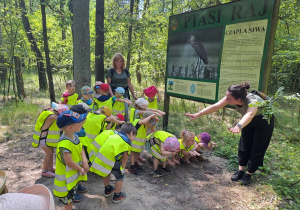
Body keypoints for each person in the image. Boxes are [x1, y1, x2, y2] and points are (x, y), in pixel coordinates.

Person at [184, 82, 275, 185]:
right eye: (226, 97)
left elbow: (250, 114)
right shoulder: (233, 96)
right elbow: (216, 106)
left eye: (229, 99)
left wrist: (238, 126)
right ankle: (240, 170)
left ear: (238, 100)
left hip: (263, 121)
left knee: (257, 148)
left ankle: (249, 174)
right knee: (244, 145)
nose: (226, 100)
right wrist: (198, 114)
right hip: (246, 120)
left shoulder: (253, 100)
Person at [89, 123, 137, 203]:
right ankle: (117, 195)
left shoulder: (113, 136)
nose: (134, 139)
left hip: (102, 158)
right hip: (112, 160)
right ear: (131, 133)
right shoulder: (126, 142)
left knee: (106, 172)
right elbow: (125, 157)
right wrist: (123, 168)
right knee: (120, 177)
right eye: (134, 136)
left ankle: (108, 189)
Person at [54, 110, 89, 210]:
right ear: (70, 127)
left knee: (72, 195)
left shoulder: (75, 136)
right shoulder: (64, 144)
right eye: (80, 122)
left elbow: (80, 147)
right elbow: (69, 162)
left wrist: (85, 160)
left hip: (72, 177)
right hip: (65, 181)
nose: (82, 123)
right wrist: (80, 169)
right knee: (68, 200)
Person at [32, 102, 69, 178]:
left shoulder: (49, 112)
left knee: (51, 152)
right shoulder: (51, 115)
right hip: (42, 138)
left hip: (45, 138)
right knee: (49, 153)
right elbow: (56, 118)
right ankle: (45, 171)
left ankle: (50, 168)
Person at [107, 53, 138, 121]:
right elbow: (108, 84)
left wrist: (134, 94)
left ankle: (124, 122)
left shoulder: (125, 71)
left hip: (124, 92)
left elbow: (129, 83)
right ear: (114, 62)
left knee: (125, 109)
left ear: (123, 62)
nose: (119, 63)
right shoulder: (111, 71)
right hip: (114, 92)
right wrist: (112, 96)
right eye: (117, 61)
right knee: (113, 109)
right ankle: (113, 122)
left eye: (120, 61)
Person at [130, 111, 158, 175]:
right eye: (150, 122)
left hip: (139, 144)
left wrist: (154, 122)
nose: (150, 124)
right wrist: (151, 116)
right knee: (133, 154)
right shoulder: (138, 121)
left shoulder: (146, 124)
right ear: (144, 118)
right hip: (134, 142)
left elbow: (152, 129)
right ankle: (132, 166)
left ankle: (135, 162)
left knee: (137, 154)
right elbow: (143, 122)